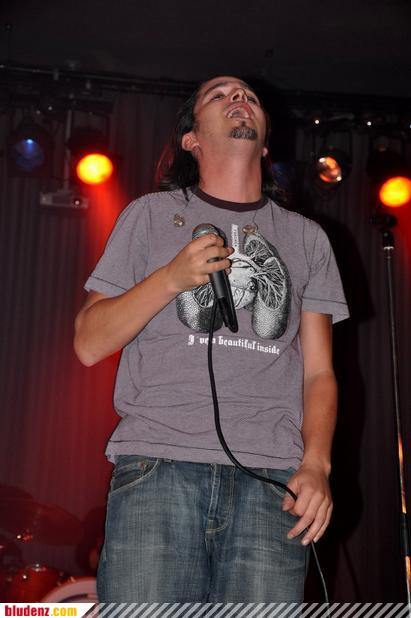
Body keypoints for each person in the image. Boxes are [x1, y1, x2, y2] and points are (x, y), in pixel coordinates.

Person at [74, 75, 349, 602]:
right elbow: (88, 342)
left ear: (265, 143)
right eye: (219, 96)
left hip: (272, 478)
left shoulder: (308, 238)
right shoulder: (149, 216)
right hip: (158, 466)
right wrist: (170, 279)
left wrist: (316, 464)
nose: (239, 99)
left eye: (249, 97)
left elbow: (319, 373)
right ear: (191, 139)